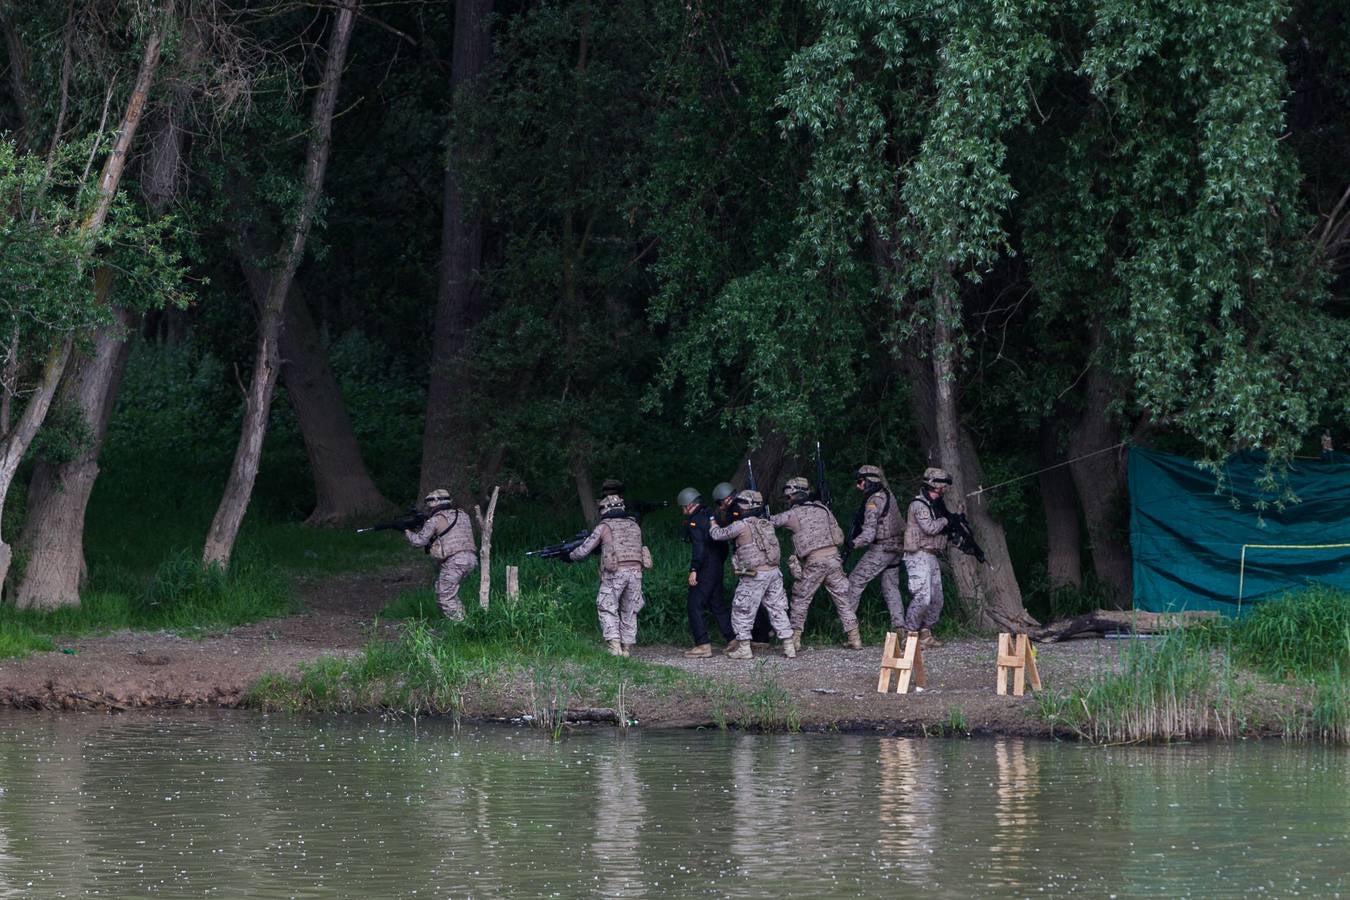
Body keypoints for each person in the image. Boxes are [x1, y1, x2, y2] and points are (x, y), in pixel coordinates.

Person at [771, 477, 861, 650]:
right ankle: (855, 638)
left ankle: (795, 640)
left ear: (792, 495)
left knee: (800, 598)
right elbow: (839, 538)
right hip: (834, 559)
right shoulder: (823, 509)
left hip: (814, 562)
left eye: (788, 497)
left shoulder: (793, 514)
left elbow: (770, 522)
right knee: (842, 599)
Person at [708, 490, 796, 660]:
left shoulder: (741, 525)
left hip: (755, 575)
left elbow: (717, 535)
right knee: (777, 608)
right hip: (773, 573)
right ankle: (789, 646)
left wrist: (712, 522)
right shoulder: (766, 523)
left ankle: (744, 648)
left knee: (742, 609)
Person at [570, 494, 653, 656]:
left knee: (607, 606)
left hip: (615, 573)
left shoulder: (604, 526)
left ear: (605, 509)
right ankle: (627, 648)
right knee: (630, 610)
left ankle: (614, 646)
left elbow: (584, 550)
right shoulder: (634, 525)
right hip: (636, 573)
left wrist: (570, 555)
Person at [845, 464, 906, 638]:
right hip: (895, 548)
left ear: (869, 481)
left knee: (855, 581)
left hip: (882, 548)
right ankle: (900, 629)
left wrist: (853, 544)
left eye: (860, 481)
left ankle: (850, 630)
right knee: (891, 587)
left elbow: (869, 534)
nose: (858, 486)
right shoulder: (888, 495)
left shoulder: (873, 501)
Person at [404, 488, 477, 621]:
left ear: (434, 503)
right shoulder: (463, 515)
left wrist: (406, 531)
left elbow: (418, 542)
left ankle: (463, 627)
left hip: (454, 561)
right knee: (449, 593)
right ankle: (465, 621)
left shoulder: (435, 520)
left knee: (444, 597)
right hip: (470, 559)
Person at [678, 486, 733, 658]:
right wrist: (718, 563)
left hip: (705, 566)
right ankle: (732, 639)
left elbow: (699, 548)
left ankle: (702, 644)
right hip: (717, 565)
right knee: (717, 603)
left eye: (682, 507)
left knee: (695, 604)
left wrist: (694, 569)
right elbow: (723, 544)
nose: (682, 511)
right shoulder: (711, 515)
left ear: (688, 505)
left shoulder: (695, 521)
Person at [903, 467, 953, 649]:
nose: (944, 489)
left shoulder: (936, 506)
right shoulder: (919, 505)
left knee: (936, 599)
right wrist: (947, 520)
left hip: (931, 555)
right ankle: (909, 635)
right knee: (922, 597)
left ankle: (925, 633)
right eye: (942, 484)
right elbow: (930, 528)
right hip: (918, 555)